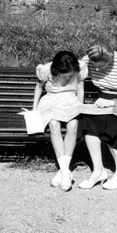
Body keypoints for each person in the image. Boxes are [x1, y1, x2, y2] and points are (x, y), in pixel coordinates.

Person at [77, 39, 117, 190]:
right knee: (88, 121)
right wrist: (80, 71)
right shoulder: (89, 59)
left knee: (110, 121)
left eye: (102, 67)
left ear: (111, 59)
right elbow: (78, 78)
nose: (97, 70)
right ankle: (98, 170)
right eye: (95, 66)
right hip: (103, 100)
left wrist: (112, 103)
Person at [33, 51, 87, 192]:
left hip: (70, 101)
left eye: (70, 74)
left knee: (73, 124)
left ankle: (63, 172)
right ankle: (65, 172)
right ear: (57, 70)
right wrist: (34, 109)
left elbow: (80, 88)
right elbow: (39, 87)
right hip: (51, 101)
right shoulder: (46, 71)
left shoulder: (80, 68)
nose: (69, 77)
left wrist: (79, 107)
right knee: (53, 124)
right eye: (65, 75)